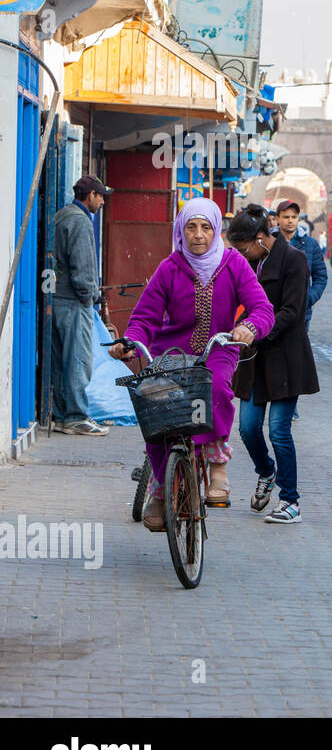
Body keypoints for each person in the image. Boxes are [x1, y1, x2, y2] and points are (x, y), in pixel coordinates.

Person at [112, 198, 273, 530]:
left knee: (214, 386)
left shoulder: (234, 265)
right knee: (156, 410)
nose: (198, 235)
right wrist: (128, 342)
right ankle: (160, 486)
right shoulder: (169, 267)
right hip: (170, 354)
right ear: (181, 231)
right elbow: (144, 317)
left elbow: (262, 308)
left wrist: (248, 327)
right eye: (191, 227)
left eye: (206, 227)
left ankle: (217, 463)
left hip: (218, 349)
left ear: (216, 230)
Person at [228, 205, 320, 525]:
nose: (240, 255)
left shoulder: (294, 260)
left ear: (259, 239)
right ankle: (266, 471)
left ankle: (290, 501)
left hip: (285, 356)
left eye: (243, 249)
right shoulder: (247, 263)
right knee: (247, 427)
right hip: (253, 359)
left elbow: (293, 311)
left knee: (279, 430)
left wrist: (256, 329)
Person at [51, 176, 114, 435]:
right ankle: (76, 417)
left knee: (61, 361)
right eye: (100, 197)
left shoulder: (62, 216)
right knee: (79, 360)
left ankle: (61, 414)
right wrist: (91, 297)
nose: (101, 202)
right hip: (74, 302)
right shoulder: (81, 221)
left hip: (56, 299)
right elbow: (84, 268)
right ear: (90, 196)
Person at [275, 200, 327, 324]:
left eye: (294, 217)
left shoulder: (311, 244)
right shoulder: (270, 243)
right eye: (286, 217)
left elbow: (320, 276)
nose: (290, 220)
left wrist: (309, 298)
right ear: (278, 218)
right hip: (274, 310)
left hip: (301, 311)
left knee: (299, 343)